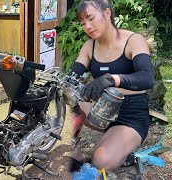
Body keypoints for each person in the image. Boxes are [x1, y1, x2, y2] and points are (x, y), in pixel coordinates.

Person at [69, 0, 154, 171]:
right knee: (66, 96)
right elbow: (71, 77)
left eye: (91, 18)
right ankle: (74, 148)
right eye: (82, 22)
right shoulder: (89, 46)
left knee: (100, 160)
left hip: (132, 116)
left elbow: (147, 78)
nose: (87, 26)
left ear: (107, 14)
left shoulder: (133, 40)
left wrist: (112, 79)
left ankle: (124, 150)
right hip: (103, 111)